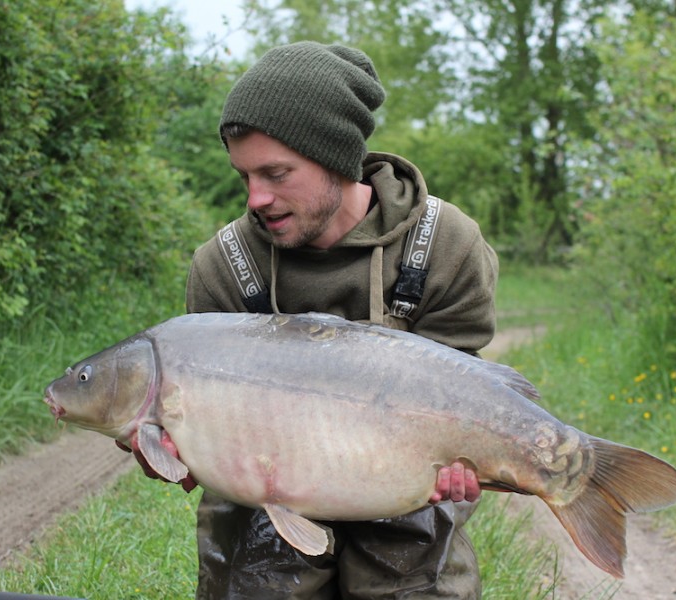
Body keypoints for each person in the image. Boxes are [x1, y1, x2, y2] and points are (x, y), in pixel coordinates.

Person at [123, 41, 499, 599]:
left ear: (337, 158)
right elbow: (192, 427)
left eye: (276, 173)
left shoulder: (445, 245)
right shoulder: (223, 267)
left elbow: (459, 396)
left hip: (399, 497)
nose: (256, 198)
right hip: (261, 511)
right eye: (245, 175)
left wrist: (461, 467)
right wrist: (173, 452)